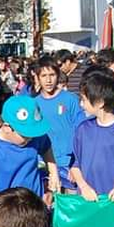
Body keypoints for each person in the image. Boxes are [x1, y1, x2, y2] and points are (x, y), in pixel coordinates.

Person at [0, 95, 57, 204]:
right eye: (25, 135)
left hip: (37, 206)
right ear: (7, 127)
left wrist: (53, 174)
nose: (31, 138)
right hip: (9, 213)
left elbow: (45, 146)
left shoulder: (33, 137)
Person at [68, 70, 114, 198]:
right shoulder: (83, 129)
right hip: (87, 198)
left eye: (84, 99)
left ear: (100, 102)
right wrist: (83, 186)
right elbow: (75, 164)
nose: (81, 104)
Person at [32, 55, 84, 190]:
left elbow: (81, 132)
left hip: (68, 162)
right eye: (44, 76)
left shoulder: (70, 99)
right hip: (44, 163)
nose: (48, 80)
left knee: (71, 205)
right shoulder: (34, 104)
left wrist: (76, 163)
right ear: (37, 78)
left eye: (52, 75)